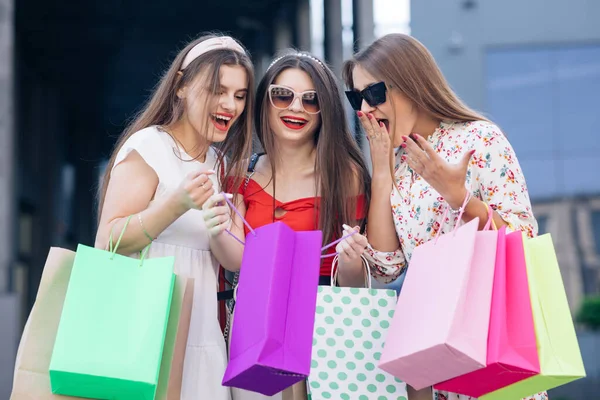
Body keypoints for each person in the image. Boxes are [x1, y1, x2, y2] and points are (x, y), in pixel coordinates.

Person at [341, 33, 548, 400]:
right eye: (355, 98)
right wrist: (383, 171)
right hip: (437, 357)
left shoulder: (480, 138)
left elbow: (523, 239)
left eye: (373, 94)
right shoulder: (399, 164)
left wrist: (459, 196)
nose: (365, 109)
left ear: (410, 83)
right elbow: (388, 265)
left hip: (490, 339)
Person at [95, 34, 254, 400]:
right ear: (181, 86)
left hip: (203, 336)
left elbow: (233, 261)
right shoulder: (149, 146)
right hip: (142, 333)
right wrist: (175, 204)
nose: (229, 104)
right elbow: (108, 241)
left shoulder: (221, 164)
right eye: (217, 90)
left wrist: (223, 229)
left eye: (240, 95)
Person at [208, 50, 371, 400]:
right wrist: (213, 227)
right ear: (264, 101)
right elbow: (235, 260)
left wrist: (354, 260)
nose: (295, 107)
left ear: (325, 110)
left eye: (310, 100)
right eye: (282, 95)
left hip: (327, 331)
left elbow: (354, 283)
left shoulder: (346, 176)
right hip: (258, 323)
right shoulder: (242, 173)